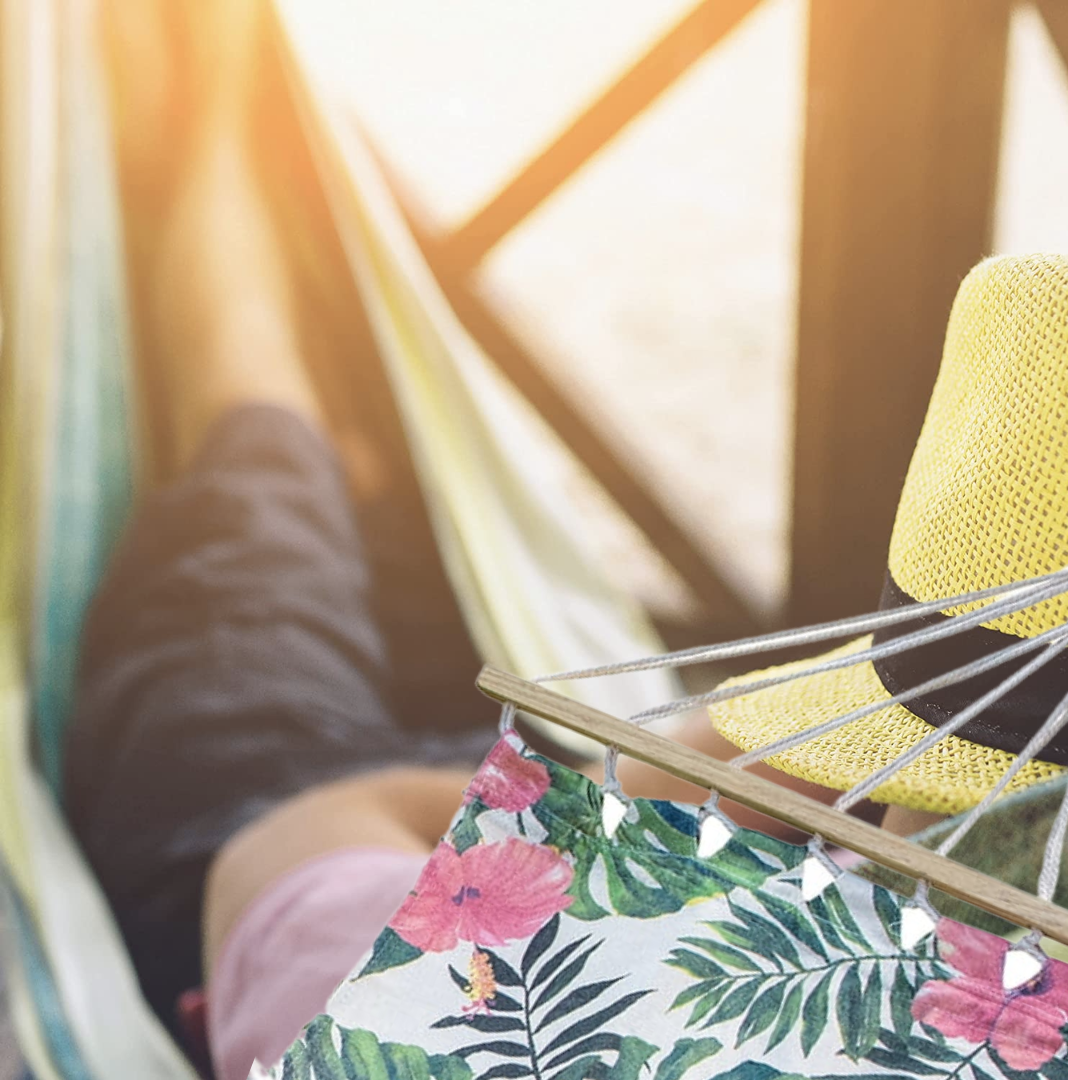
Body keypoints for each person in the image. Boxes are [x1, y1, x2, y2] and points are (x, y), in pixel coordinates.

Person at [63, 3, 842, 1078]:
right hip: (445, 829)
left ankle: (219, 126)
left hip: (249, 831)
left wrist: (903, 699)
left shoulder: (394, 1029)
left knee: (263, 458)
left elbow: (311, 835)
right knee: (348, 516)